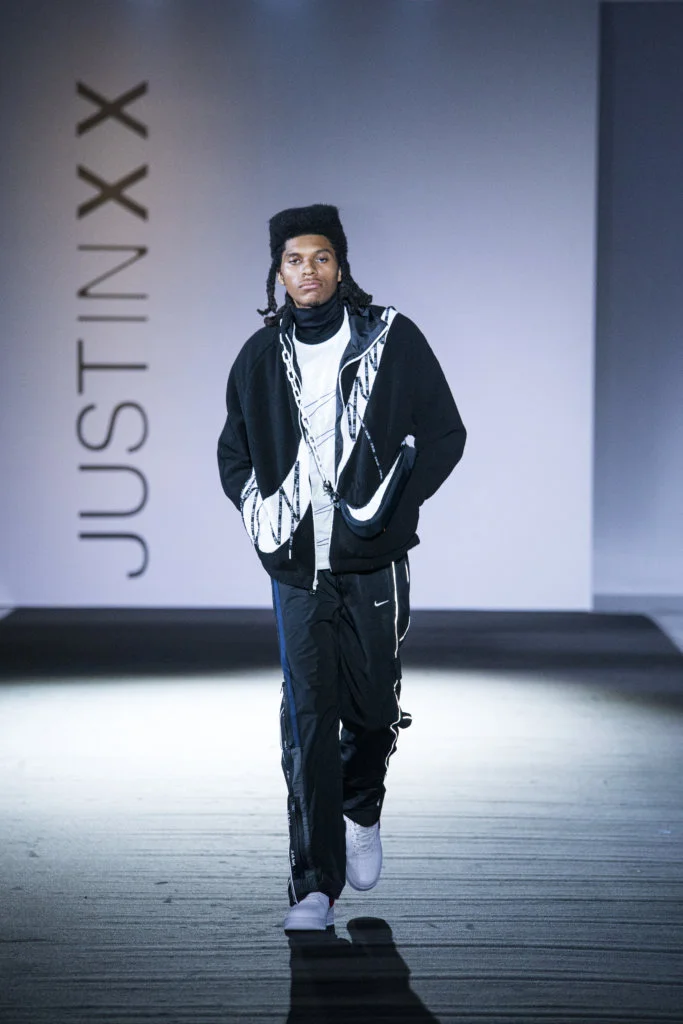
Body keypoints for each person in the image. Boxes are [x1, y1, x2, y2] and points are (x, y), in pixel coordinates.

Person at [217, 204, 466, 932]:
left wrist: (393, 507)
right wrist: (262, 516)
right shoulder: (259, 357)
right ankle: (313, 886)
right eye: (294, 259)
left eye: (320, 257)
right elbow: (233, 453)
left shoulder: (390, 339)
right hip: (297, 569)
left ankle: (363, 807)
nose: (308, 271)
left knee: (374, 709)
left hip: (371, 562)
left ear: (340, 265)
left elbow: (445, 434)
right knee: (307, 718)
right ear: (277, 272)